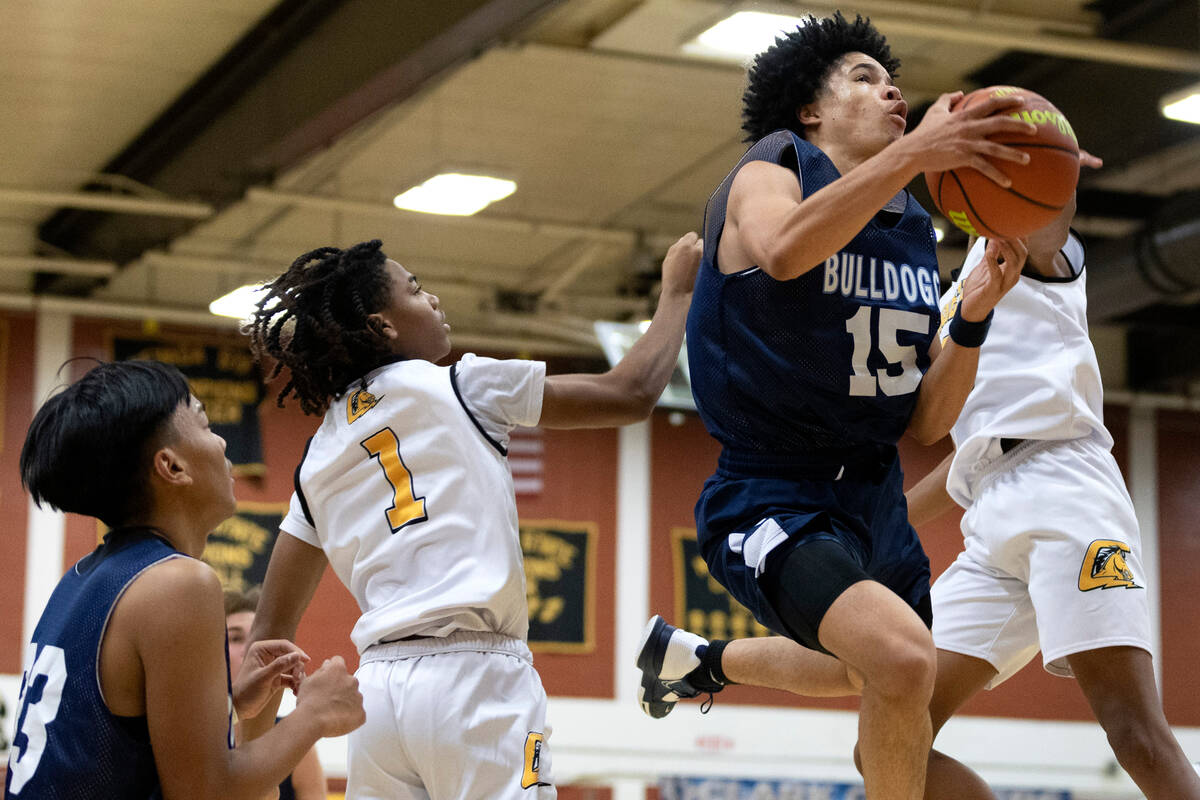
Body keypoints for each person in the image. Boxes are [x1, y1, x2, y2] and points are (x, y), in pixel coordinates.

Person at [635, 12, 1034, 800]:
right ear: (810, 111)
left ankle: (697, 660)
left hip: (874, 498)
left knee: (865, 672)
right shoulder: (772, 167)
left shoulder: (916, 229)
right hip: (772, 488)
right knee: (903, 661)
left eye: (891, 80)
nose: (891, 89)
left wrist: (976, 314)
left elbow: (924, 421)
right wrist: (918, 150)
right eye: (862, 77)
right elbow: (783, 251)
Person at [239, 232, 702, 799]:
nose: (432, 299)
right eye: (415, 289)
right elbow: (630, 393)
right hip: (477, 680)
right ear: (383, 326)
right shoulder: (459, 384)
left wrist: (248, 774)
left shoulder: (317, 456)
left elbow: (267, 640)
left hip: (379, 697)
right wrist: (677, 291)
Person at [905, 190, 1200, 798]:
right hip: (991, 505)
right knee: (892, 735)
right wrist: (886, 519)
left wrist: (1048, 157)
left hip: (1067, 488)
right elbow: (974, 453)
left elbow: (1050, 211)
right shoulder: (956, 295)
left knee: (1136, 735)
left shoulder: (1024, 248)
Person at [4, 359, 365, 800]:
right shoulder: (178, 583)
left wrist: (229, 706)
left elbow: (106, 747)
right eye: (206, 423)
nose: (223, 441)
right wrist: (314, 714)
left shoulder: (83, 578)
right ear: (172, 467)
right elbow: (204, 794)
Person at [226, 588, 328, 800]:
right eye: (235, 638)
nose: (249, 648)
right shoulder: (195, 731)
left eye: (257, 637)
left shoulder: (293, 740)